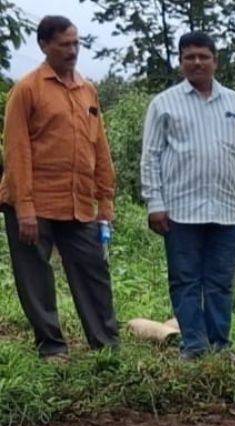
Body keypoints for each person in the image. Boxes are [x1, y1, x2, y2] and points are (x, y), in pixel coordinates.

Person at [140, 31, 235, 360]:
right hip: (180, 210)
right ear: (180, 61)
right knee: (184, 280)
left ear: (215, 61)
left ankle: (219, 345)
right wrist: (155, 203)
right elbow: (151, 156)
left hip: (228, 210)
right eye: (190, 57)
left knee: (220, 282)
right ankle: (194, 346)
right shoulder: (164, 103)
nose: (197, 62)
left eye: (203, 56)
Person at [0, 15, 119, 360]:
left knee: (93, 270)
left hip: (79, 202)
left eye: (76, 43)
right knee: (35, 277)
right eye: (64, 44)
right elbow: (17, 151)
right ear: (44, 45)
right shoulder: (27, 89)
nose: (72, 50)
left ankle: (106, 345)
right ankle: (51, 347)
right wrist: (24, 208)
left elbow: (99, 147)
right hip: (33, 203)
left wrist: (105, 200)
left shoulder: (87, 89)